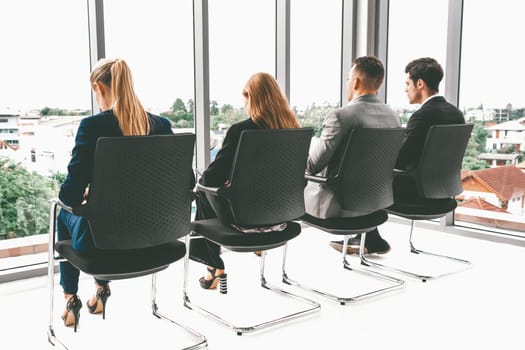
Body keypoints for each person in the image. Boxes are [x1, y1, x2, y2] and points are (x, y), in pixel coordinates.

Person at [57, 58, 175, 330]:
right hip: (157, 238)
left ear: (98, 86)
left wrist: (89, 194)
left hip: (101, 244)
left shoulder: (92, 126)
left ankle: (71, 297)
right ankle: (100, 289)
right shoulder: (161, 125)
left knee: (62, 212)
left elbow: (71, 195)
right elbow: (184, 181)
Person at [330, 57, 466, 255]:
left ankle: (366, 237)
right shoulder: (456, 114)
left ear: (420, 84)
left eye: (407, 83)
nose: (405, 89)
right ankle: (370, 238)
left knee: (368, 177)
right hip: (444, 191)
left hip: (417, 194)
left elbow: (401, 158)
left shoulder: (422, 116)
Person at [189, 72, 300, 290]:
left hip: (245, 219)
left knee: (204, 189)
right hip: (282, 214)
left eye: (245, 99)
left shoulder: (241, 130)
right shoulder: (293, 131)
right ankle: (257, 246)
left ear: (252, 98)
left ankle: (214, 266)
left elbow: (213, 177)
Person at [303, 56, 400, 254]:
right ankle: (370, 239)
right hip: (375, 204)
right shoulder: (393, 116)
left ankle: (263, 238)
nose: (347, 82)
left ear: (355, 81)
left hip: (338, 208)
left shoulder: (341, 116)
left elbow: (313, 164)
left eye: (348, 78)